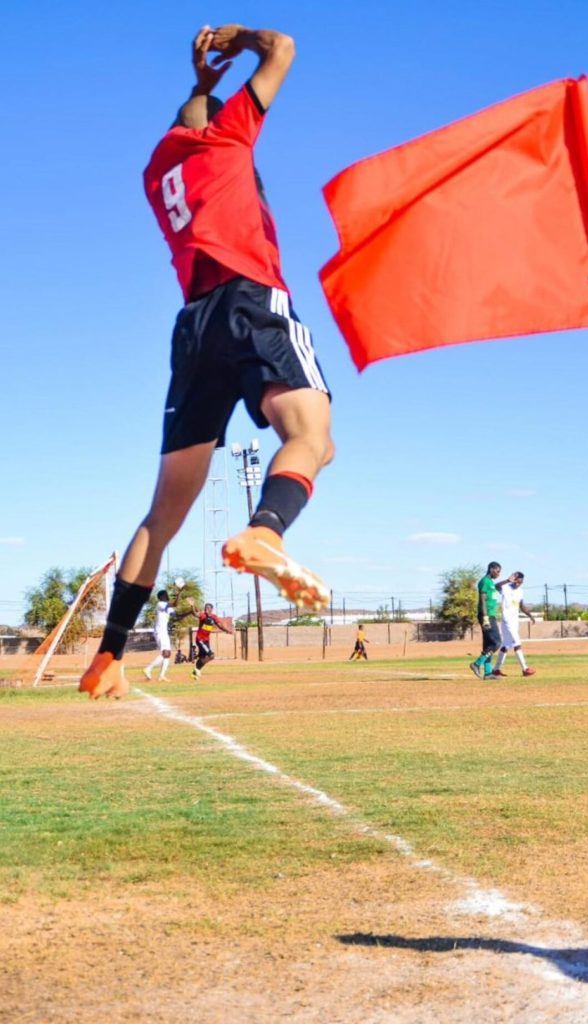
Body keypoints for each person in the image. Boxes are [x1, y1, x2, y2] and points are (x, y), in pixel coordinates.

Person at [80, 22, 333, 700]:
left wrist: (198, 85)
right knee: (312, 436)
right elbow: (284, 46)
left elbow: (187, 122)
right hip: (251, 300)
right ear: (222, 122)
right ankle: (266, 531)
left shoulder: (156, 169)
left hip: (193, 327)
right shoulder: (227, 138)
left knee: (162, 515)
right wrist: (237, 38)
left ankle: (106, 658)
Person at [491, 572, 536, 677]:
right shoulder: (505, 587)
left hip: (515, 621)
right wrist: (507, 580)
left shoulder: (520, 591)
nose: (518, 583)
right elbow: (495, 586)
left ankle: (496, 669)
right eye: (516, 580)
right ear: (513, 579)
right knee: (517, 642)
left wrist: (530, 615)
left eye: (520, 582)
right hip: (507, 620)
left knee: (506, 645)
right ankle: (525, 669)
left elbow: (521, 606)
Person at [143, 587, 191, 682]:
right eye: (166, 594)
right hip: (160, 631)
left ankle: (161, 676)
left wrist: (189, 612)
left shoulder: (167, 608)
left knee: (168, 654)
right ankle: (148, 668)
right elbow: (175, 604)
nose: (168, 596)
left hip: (164, 632)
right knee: (165, 653)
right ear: (162, 596)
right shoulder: (160, 604)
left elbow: (177, 616)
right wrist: (179, 593)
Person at [469, 562, 504, 680]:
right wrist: (485, 618)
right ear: (491, 569)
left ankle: (488, 673)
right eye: (498, 571)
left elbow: (498, 586)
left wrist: (508, 580)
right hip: (487, 615)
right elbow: (483, 600)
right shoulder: (484, 581)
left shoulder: (491, 583)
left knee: (489, 644)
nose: (499, 574)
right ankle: (476, 664)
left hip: (490, 615)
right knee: (496, 643)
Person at [190, 601, 234, 679]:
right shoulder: (203, 615)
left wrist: (227, 630)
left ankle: (195, 673)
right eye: (205, 607)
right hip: (200, 639)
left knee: (203, 657)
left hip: (206, 640)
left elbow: (220, 625)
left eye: (208, 608)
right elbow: (195, 614)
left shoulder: (214, 617)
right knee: (211, 656)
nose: (206, 609)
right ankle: (197, 670)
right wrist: (192, 606)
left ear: (211, 609)